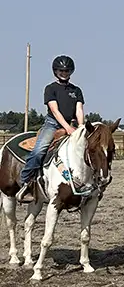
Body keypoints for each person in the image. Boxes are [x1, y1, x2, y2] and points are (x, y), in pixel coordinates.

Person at [17, 55, 84, 202]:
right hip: (52, 124)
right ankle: (25, 182)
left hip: (72, 124)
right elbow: (55, 110)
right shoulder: (50, 88)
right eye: (61, 70)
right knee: (39, 151)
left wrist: (80, 127)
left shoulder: (76, 90)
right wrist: (67, 128)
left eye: (67, 71)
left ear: (71, 72)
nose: (64, 73)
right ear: (55, 71)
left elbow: (79, 109)